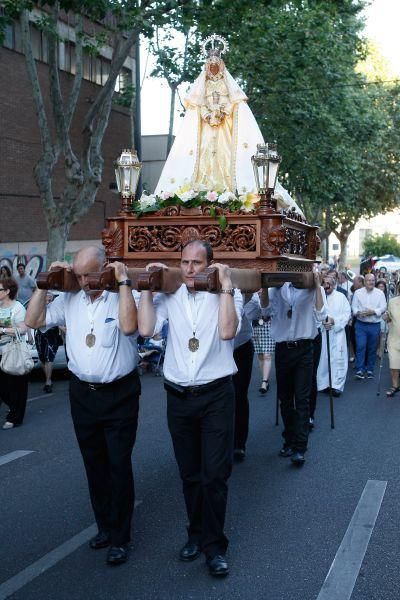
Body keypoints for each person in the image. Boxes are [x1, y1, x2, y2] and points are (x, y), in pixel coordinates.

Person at [25, 246, 141, 566]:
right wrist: (44, 283)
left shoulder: (124, 294)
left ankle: (121, 537)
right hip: (83, 395)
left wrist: (123, 282)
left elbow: (130, 327)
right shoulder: (70, 298)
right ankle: (104, 527)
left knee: (118, 464)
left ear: (106, 268)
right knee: (95, 464)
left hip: (119, 394)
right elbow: (33, 321)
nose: (84, 280)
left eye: (90, 273)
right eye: (78, 274)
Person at [138, 240, 242, 578]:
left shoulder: (228, 292)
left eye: (196, 262)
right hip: (179, 396)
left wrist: (225, 287)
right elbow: (145, 329)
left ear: (210, 264)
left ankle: (215, 546)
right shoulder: (171, 295)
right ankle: (195, 534)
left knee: (215, 475)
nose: (189, 269)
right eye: (184, 262)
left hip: (216, 396)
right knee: (190, 474)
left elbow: (227, 331)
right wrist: (146, 288)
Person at [155, 36, 302, 215]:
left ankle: (228, 192)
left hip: (225, 127)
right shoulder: (202, 86)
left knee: (226, 155)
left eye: (216, 65)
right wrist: (208, 114)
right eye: (210, 65)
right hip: (208, 127)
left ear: (221, 66)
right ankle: (202, 191)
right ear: (207, 67)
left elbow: (235, 101)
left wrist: (223, 111)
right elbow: (198, 104)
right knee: (205, 156)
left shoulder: (228, 85)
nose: (213, 68)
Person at [264, 274, 326, 465]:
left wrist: (316, 285)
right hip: (283, 349)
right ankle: (289, 439)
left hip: (305, 348)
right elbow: (264, 311)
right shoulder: (276, 288)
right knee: (285, 399)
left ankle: (300, 446)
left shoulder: (312, 286)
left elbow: (321, 315)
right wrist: (264, 286)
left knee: (302, 398)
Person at [233, 292, 260, 461]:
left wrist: (244, 296)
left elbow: (253, 314)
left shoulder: (249, 294)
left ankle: (238, 443)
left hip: (241, 347)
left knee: (239, 395)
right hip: (216, 348)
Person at [0, 277, 30, 429]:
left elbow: (23, 329)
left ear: (7, 291)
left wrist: (3, 330)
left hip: (13, 350)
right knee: (4, 387)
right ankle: (13, 407)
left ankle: (14, 417)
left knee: (15, 385)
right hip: (1, 351)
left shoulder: (18, 307)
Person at [317, 276, 351, 397]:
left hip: (337, 334)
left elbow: (347, 314)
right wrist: (322, 323)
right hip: (322, 332)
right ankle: (323, 384)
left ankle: (336, 386)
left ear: (334, 284)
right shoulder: (319, 296)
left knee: (337, 359)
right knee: (323, 359)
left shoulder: (341, 297)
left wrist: (334, 321)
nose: (326, 286)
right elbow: (314, 313)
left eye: (329, 284)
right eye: (324, 283)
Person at [352, 273, 387, 380]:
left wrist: (373, 312)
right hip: (361, 324)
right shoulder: (358, 292)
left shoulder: (380, 293)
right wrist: (358, 312)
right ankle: (360, 369)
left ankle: (370, 369)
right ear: (364, 282)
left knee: (372, 348)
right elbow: (353, 307)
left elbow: (383, 307)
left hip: (374, 325)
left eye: (373, 280)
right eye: (368, 280)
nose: (371, 282)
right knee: (361, 346)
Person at [34, 292, 63, 393]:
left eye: (50, 300)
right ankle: (47, 377)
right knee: (42, 357)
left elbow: (61, 322)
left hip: (52, 334)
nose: (48, 302)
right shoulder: (38, 308)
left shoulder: (56, 309)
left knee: (49, 357)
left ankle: (48, 381)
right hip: (40, 334)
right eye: (46, 300)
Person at [252, 289, 275, 394]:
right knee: (260, 355)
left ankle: (264, 381)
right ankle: (265, 378)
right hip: (256, 327)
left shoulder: (270, 291)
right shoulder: (252, 293)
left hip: (268, 326)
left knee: (267, 355)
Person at [384, 285, 400, 396]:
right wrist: (386, 317)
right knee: (394, 363)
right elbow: (389, 317)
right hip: (394, 338)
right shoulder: (392, 301)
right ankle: (395, 386)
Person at [376, 279, 388, 359]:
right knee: (376, 336)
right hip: (376, 317)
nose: (381, 288)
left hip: (384, 317)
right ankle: (376, 349)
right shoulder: (374, 295)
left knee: (383, 336)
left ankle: (381, 351)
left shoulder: (388, 296)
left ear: (384, 288)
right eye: (379, 287)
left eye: (382, 287)